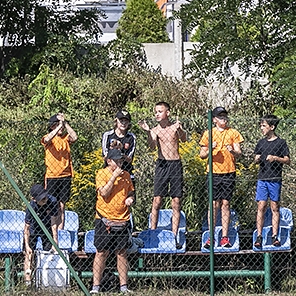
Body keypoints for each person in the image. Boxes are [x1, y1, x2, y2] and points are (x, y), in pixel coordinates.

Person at [139, 102, 188, 245]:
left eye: (160, 111)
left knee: (176, 201)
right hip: (162, 165)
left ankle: (174, 236)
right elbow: (152, 146)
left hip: (175, 164)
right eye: (156, 111)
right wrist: (148, 131)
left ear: (168, 113)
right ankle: (153, 234)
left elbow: (184, 139)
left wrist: (181, 129)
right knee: (157, 200)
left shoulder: (174, 127)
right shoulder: (154, 130)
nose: (157, 114)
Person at [91, 148, 135, 294]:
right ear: (109, 161)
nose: (120, 163)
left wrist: (130, 199)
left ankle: (124, 287)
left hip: (122, 219)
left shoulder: (126, 175)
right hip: (104, 220)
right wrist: (113, 177)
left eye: (121, 160)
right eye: (117, 161)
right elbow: (103, 192)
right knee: (101, 252)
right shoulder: (101, 173)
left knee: (122, 253)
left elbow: (130, 192)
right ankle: (95, 287)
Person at [199, 106, 243, 249]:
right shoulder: (208, 133)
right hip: (213, 172)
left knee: (225, 203)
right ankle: (211, 237)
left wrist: (233, 151)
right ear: (214, 120)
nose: (223, 119)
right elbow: (202, 154)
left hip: (229, 171)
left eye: (225, 116)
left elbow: (239, 152)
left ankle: (225, 237)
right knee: (214, 204)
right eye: (220, 116)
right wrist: (210, 148)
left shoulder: (233, 132)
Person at [253, 115, 290, 249]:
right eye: (261, 125)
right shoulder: (261, 143)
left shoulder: (281, 143)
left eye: (264, 125)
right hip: (262, 179)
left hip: (275, 179)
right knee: (261, 206)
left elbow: (287, 160)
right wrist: (257, 159)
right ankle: (259, 236)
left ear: (272, 127)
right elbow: (256, 157)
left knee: (275, 207)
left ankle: (275, 236)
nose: (261, 128)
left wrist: (276, 158)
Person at [41, 112, 78, 230]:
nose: (60, 127)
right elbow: (47, 139)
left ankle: (61, 231)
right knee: (52, 204)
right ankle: (51, 230)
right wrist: (57, 127)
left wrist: (65, 124)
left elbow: (75, 137)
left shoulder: (65, 138)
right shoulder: (49, 138)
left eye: (60, 125)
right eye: (57, 124)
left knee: (62, 205)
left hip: (65, 175)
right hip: (52, 176)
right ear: (52, 126)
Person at [23, 183, 62, 286]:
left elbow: (54, 223)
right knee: (29, 253)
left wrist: (55, 241)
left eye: (45, 197)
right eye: (41, 199)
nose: (44, 200)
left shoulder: (52, 201)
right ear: (34, 199)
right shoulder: (31, 206)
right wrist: (27, 246)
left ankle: (44, 281)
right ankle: (28, 281)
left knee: (48, 253)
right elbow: (26, 228)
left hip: (47, 229)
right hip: (34, 229)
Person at [102, 109, 136, 176]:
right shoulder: (108, 135)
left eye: (126, 121)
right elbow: (105, 157)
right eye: (121, 121)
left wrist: (120, 150)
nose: (123, 123)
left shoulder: (131, 137)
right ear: (116, 121)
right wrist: (113, 150)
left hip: (126, 171)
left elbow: (129, 159)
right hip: (109, 171)